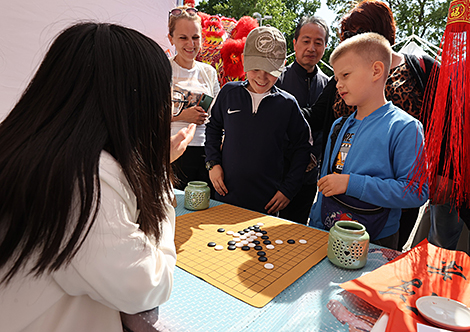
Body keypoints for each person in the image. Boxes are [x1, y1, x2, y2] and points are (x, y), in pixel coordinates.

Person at [0, 22, 196, 332]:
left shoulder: (29, 148)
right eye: (164, 99)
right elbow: (148, 285)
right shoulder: (82, 178)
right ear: (130, 104)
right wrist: (157, 171)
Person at [312, 0, 436, 249]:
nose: (337, 84)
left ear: (377, 70)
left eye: (345, 75)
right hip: (328, 233)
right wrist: (314, 228)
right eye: (336, 77)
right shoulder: (339, 126)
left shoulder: (405, 128)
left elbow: (416, 192)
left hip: (377, 242)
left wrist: (351, 183)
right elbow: (325, 187)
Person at [205, 26, 311, 215]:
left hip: (266, 205)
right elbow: (212, 127)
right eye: (255, 68)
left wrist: (288, 189)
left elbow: (303, 147)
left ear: (282, 65)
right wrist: (213, 163)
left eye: (270, 70)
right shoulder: (228, 93)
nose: (262, 77)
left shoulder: (287, 104)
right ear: (244, 60)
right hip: (224, 199)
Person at [275, 16, 329, 225]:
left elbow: (327, 128)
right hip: (276, 173)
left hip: (308, 177)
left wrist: (314, 157)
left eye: (318, 42)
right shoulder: (277, 79)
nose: (311, 48)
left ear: (325, 46)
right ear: (295, 43)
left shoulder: (329, 85)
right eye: (306, 41)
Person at [167, 5, 220, 193]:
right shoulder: (163, 69)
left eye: (195, 37)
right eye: (183, 37)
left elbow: (217, 116)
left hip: (205, 153)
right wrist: (183, 116)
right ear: (171, 38)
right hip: (172, 152)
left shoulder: (209, 72)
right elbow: (145, 116)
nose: (191, 44)